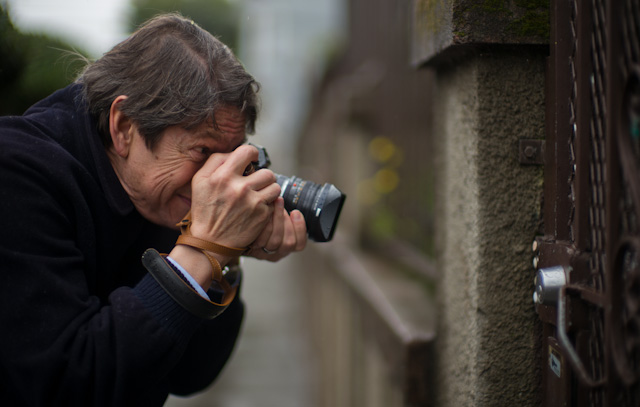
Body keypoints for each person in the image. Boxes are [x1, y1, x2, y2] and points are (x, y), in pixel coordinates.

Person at [0, 13, 307, 406]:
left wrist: (224, 259)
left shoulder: (159, 191)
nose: (215, 179)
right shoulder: (16, 173)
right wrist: (203, 249)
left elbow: (191, 373)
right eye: (203, 151)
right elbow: (66, 385)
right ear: (124, 126)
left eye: (230, 158)